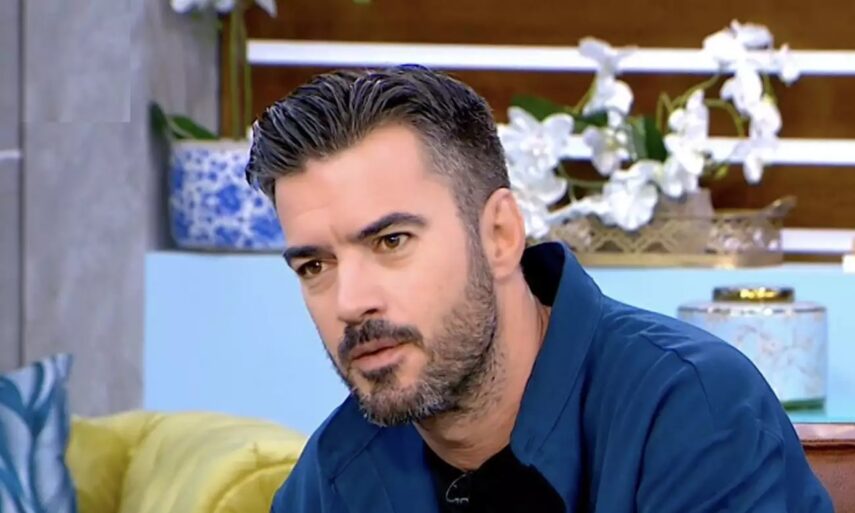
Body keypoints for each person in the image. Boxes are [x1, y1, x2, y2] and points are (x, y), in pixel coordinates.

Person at [245, 65, 833, 512]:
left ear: (500, 235)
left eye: (391, 241)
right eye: (314, 266)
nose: (351, 302)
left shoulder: (693, 412)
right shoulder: (334, 475)